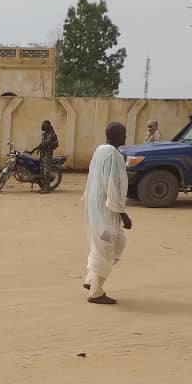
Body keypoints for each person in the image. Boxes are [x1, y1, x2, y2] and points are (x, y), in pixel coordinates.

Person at [82, 122, 132, 305]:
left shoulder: (101, 150)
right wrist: (122, 213)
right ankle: (95, 292)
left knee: (116, 243)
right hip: (105, 209)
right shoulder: (111, 154)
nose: (125, 137)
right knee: (106, 247)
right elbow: (112, 186)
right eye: (123, 134)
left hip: (96, 207)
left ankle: (91, 279)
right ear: (115, 136)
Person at [37, 120, 59, 194]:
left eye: (45, 125)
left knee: (46, 171)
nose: (43, 126)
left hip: (47, 155)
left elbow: (56, 144)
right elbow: (42, 143)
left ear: (48, 126)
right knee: (42, 171)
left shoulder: (52, 134)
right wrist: (34, 149)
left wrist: (50, 145)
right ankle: (44, 187)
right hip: (42, 154)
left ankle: (47, 188)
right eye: (43, 125)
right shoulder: (44, 134)